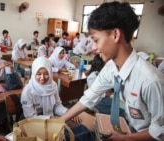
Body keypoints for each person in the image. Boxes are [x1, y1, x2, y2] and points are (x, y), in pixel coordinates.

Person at [61, 2, 164, 141]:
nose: (93, 48)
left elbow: (159, 132)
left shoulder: (150, 81)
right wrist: (60, 120)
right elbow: (89, 98)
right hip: (128, 126)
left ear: (116, 34)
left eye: (96, 40)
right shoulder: (111, 68)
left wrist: (126, 139)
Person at [21, 56, 95, 141]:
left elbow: (57, 106)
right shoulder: (28, 91)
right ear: (33, 73)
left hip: (53, 123)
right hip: (35, 125)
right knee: (68, 137)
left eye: (46, 73)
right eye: (38, 74)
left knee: (83, 130)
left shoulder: (53, 86)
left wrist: (67, 112)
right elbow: (30, 117)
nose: (42, 77)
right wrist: (51, 118)